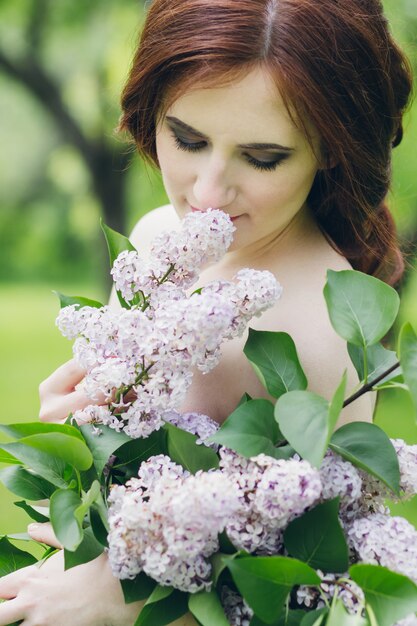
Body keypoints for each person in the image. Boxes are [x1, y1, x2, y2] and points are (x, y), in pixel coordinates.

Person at [0, 0, 412, 624]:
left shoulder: (323, 330)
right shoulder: (158, 236)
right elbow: (114, 453)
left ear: (331, 147)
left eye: (263, 157)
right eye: (187, 139)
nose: (209, 191)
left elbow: (299, 589)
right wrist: (83, 424)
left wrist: (117, 598)